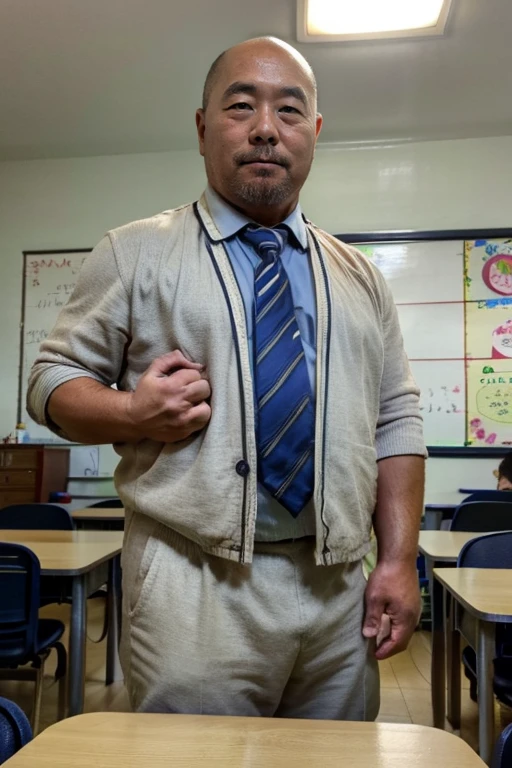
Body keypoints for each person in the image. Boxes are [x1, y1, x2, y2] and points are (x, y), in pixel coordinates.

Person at [27, 36, 427, 720]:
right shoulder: (136, 252)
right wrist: (132, 413)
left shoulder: (359, 277)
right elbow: (48, 383)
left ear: (315, 132)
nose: (266, 128)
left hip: (336, 592)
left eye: (290, 111)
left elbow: (397, 419)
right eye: (241, 106)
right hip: (191, 584)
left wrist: (397, 560)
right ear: (203, 126)